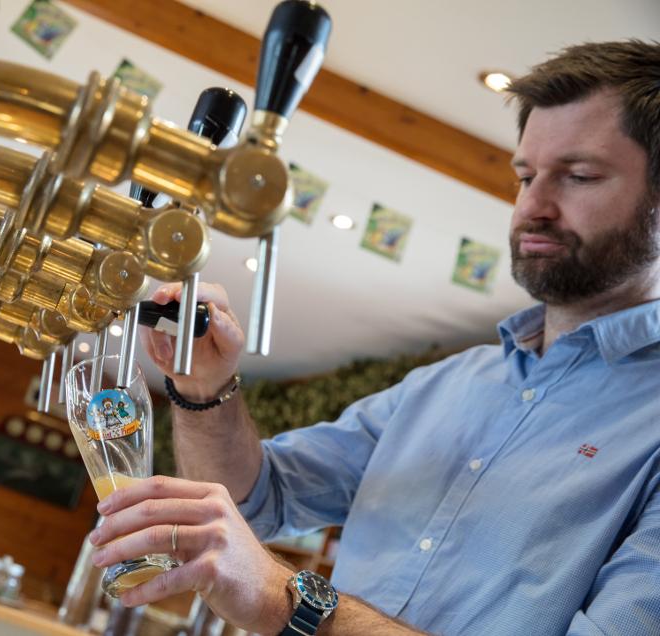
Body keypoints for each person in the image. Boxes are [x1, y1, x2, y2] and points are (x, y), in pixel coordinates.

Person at [87, 40, 660, 635]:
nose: (533, 206)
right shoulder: (444, 385)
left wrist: (288, 601)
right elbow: (254, 499)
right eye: (525, 176)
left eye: (580, 176)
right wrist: (203, 389)